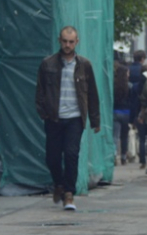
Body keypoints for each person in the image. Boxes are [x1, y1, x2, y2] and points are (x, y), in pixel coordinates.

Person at [35, 26, 100, 211]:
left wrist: (95, 120)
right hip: (54, 117)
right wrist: (43, 112)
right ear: (59, 40)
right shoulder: (48, 64)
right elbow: (39, 91)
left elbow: (92, 94)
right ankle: (59, 185)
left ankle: (69, 194)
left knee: (71, 155)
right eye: (65, 41)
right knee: (53, 158)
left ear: (77, 42)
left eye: (71, 42)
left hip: (75, 118)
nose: (67, 45)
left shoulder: (84, 65)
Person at [128, 50, 147, 168]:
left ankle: (142, 160)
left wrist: (132, 117)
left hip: (136, 108)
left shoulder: (129, 70)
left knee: (141, 137)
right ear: (142, 58)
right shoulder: (145, 75)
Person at [112, 62, 131, 165]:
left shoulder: (113, 86)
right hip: (126, 113)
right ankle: (123, 156)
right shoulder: (129, 86)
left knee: (115, 136)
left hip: (115, 112)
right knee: (124, 136)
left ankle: (114, 155)